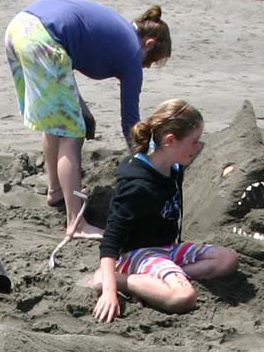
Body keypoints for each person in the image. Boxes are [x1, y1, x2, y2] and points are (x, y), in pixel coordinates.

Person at [5, 0, 172, 239]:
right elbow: (130, 122)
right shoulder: (133, 52)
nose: (146, 67)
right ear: (149, 43)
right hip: (43, 39)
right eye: (152, 60)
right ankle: (77, 223)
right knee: (73, 134)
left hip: (20, 28)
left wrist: (81, 107)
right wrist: (147, 165)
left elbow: (65, 61)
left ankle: (56, 191)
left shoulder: (119, 31)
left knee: (55, 122)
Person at [91, 99, 238, 322]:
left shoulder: (173, 165)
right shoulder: (136, 186)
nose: (198, 147)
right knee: (183, 296)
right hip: (138, 253)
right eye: (194, 141)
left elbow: (203, 153)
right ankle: (117, 279)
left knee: (227, 259)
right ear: (170, 140)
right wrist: (110, 291)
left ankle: (158, 280)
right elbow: (111, 241)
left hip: (168, 248)